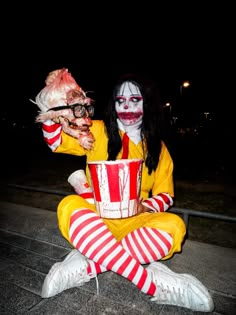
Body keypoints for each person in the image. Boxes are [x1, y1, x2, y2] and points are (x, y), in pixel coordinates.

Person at [32, 68, 214, 312]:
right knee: (69, 206)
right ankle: (152, 282)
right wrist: (54, 109)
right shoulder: (95, 129)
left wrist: (144, 206)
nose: (127, 107)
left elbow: (165, 195)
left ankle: (88, 263)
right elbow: (56, 142)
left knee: (175, 226)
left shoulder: (158, 149)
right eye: (121, 101)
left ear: (147, 104)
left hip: (137, 225)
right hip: (96, 221)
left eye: (135, 100)